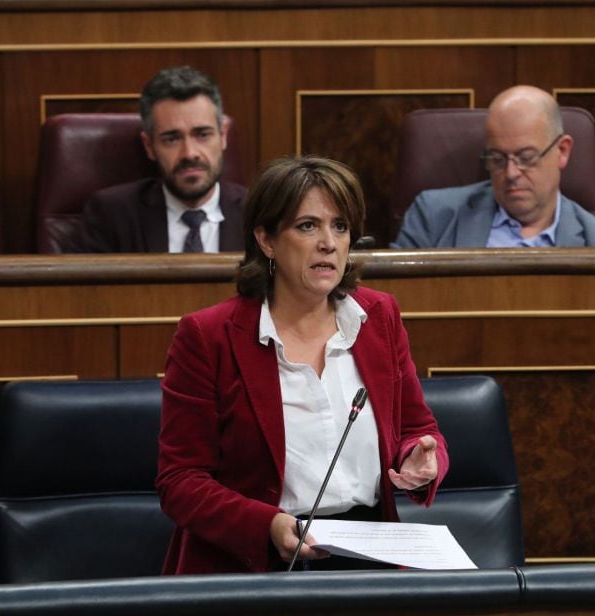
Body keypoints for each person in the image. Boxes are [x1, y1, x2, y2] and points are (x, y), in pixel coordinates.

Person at [156, 156, 449, 574]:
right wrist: (268, 525)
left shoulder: (378, 317)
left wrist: (418, 459)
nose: (328, 242)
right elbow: (180, 482)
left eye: (341, 226)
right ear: (267, 239)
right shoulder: (209, 336)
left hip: (368, 557)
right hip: (253, 564)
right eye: (308, 226)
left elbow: (418, 429)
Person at [393, 85, 595, 249]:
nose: (511, 173)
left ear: (562, 151)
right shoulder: (434, 217)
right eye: (497, 159)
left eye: (526, 157)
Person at [78, 66, 247, 253]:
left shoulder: (262, 215)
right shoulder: (112, 216)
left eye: (202, 134)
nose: (189, 153)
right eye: (172, 139)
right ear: (149, 146)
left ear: (223, 136)